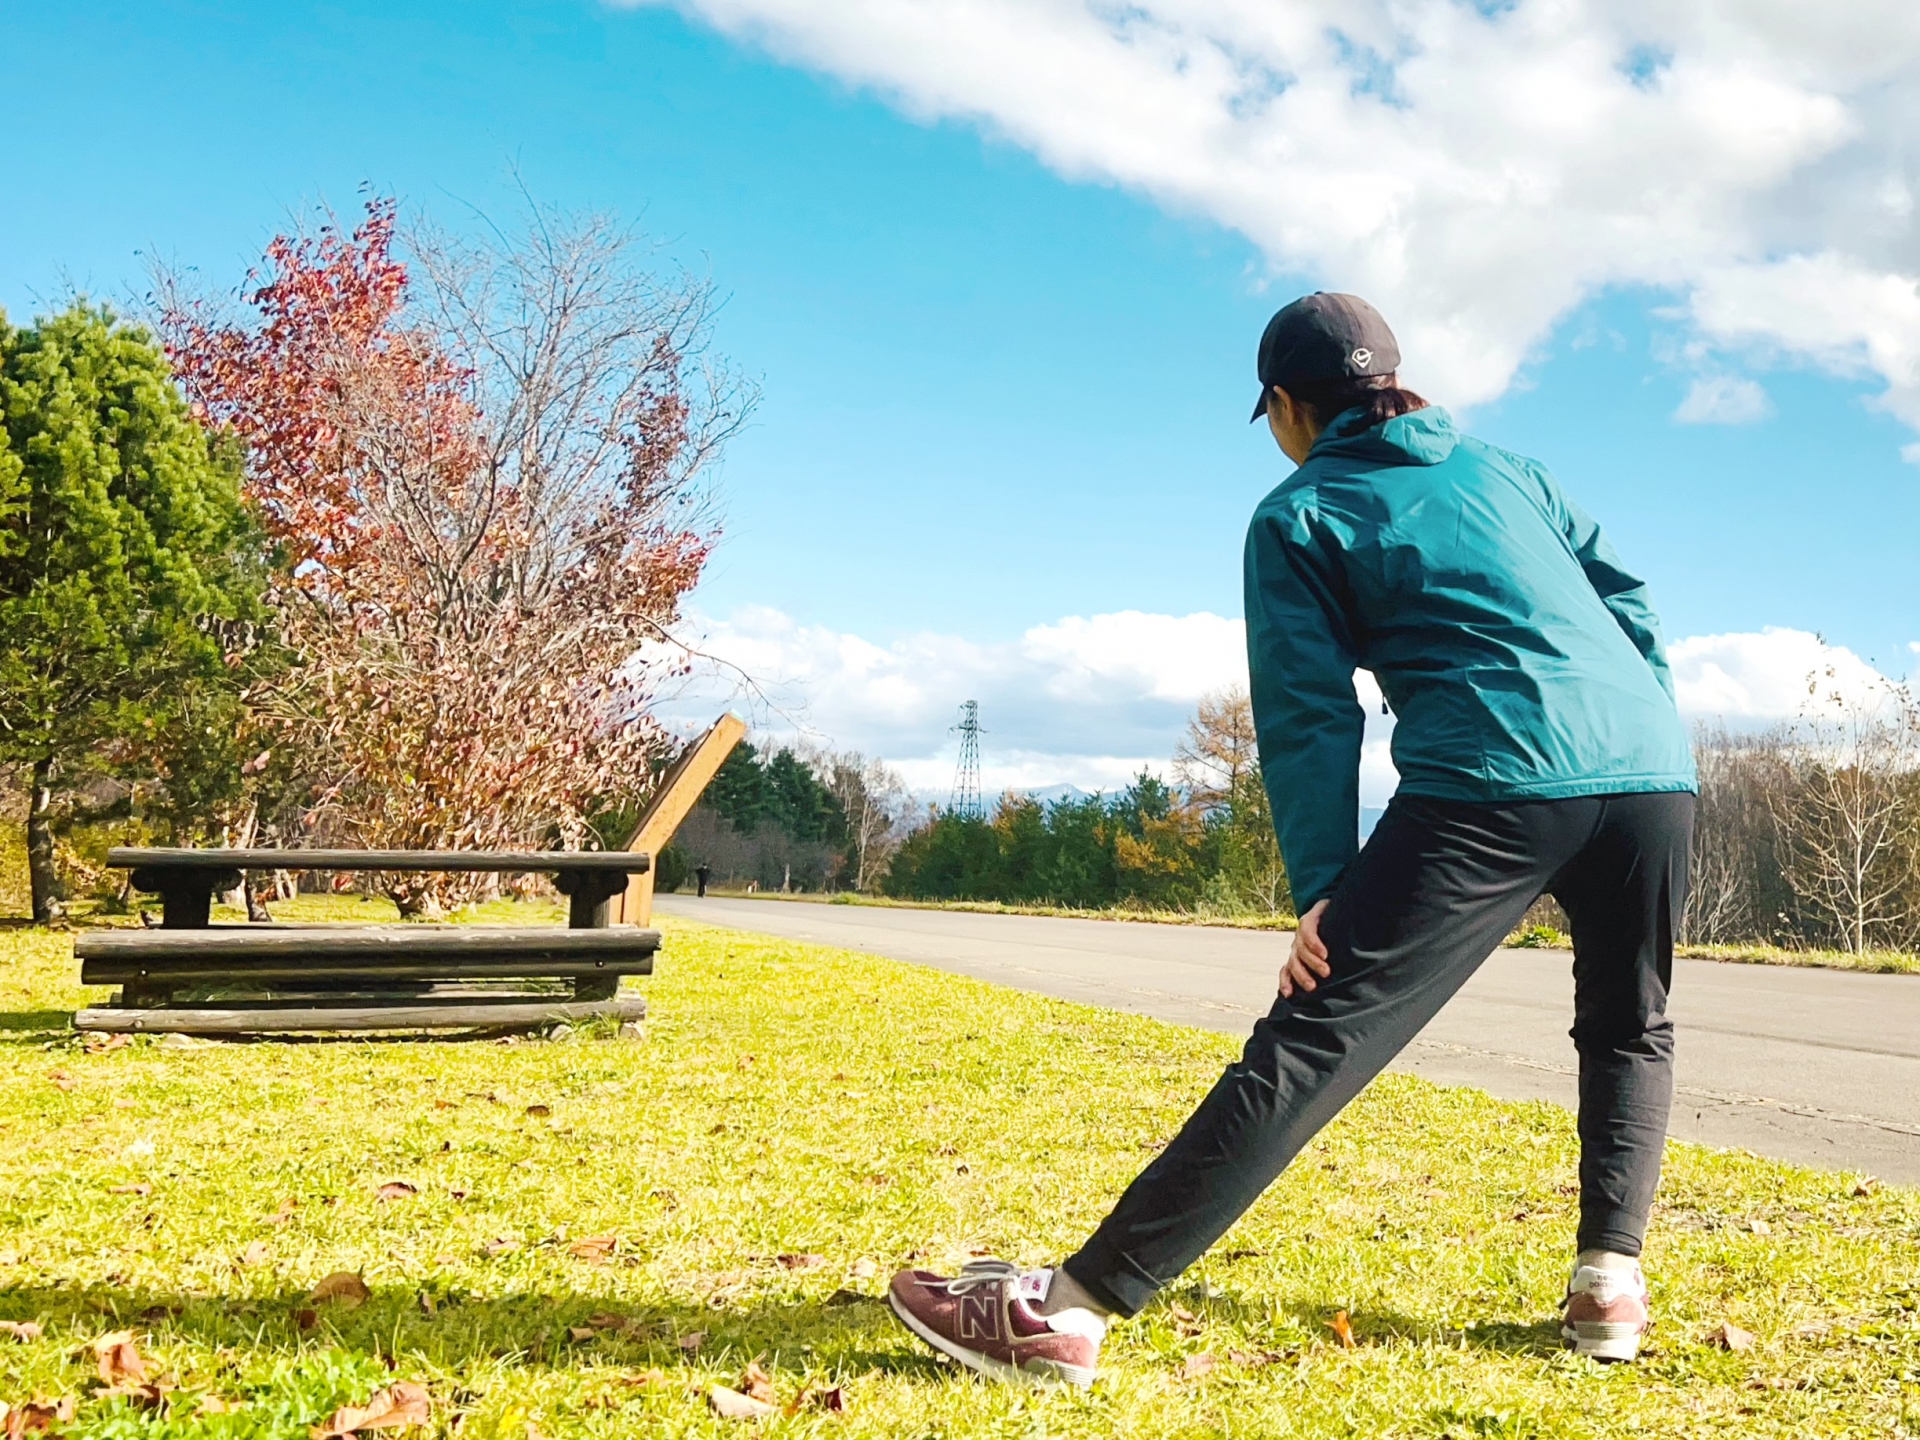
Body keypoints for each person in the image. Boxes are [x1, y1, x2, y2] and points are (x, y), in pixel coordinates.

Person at [887, 293, 1696, 1387]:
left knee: (1317, 1034)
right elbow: (1627, 602)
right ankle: (1610, 1284)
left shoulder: (1298, 512)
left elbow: (1310, 713)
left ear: (1285, 405)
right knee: (1629, 1023)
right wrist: (1641, 719)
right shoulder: (1512, 470)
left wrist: (1323, 885)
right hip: (1654, 774)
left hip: (1491, 778)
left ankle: (1071, 1311)